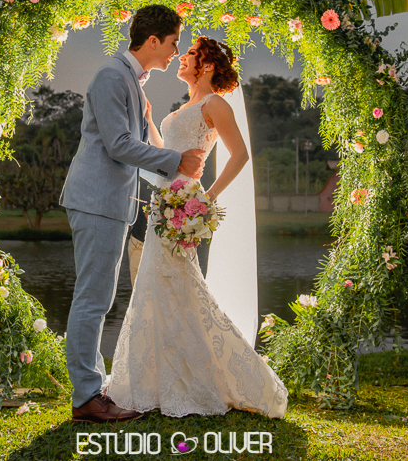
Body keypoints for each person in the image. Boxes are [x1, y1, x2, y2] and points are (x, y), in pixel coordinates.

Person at [107, 36, 289, 419]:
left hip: (183, 205)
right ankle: (158, 378)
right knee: (157, 287)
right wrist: (151, 118)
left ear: (206, 66)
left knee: (181, 286)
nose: (181, 58)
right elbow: (163, 153)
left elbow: (240, 154)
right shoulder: (184, 107)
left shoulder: (214, 104)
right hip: (162, 202)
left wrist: (207, 197)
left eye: (188, 54)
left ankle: (206, 378)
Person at [60, 4, 206, 423]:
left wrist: (176, 185)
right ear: (153, 40)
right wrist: (177, 160)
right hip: (96, 202)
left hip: (112, 204)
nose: (176, 52)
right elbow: (120, 145)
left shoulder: (131, 82)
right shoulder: (112, 77)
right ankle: (87, 397)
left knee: (98, 298)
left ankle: (92, 387)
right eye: (173, 42)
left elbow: (135, 156)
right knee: (93, 299)